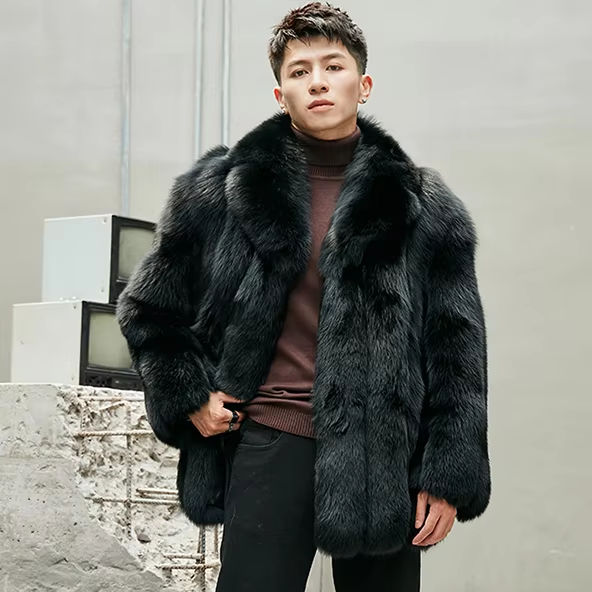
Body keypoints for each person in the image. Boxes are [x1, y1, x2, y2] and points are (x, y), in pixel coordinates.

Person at [116, 3, 491, 591]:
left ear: (363, 85)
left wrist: (446, 475)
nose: (317, 81)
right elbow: (147, 311)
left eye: (333, 66)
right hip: (270, 437)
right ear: (280, 94)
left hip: (382, 458)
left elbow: (457, 354)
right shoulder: (218, 191)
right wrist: (189, 394)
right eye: (299, 71)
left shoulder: (424, 206)